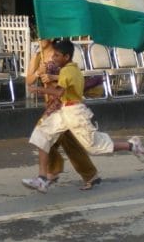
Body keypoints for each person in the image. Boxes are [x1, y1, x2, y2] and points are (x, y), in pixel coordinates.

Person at [22, 39, 144, 193]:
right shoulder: (63, 66)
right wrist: (42, 75)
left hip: (74, 112)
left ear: (66, 57)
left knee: (93, 146)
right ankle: (42, 178)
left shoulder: (68, 70)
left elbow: (60, 91)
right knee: (42, 135)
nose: (54, 58)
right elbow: (57, 81)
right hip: (62, 111)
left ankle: (131, 145)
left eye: (57, 56)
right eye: (53, 56)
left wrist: (38, 89)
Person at [26, 39, 101, 190]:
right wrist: (38, 72)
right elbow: (29, 80)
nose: (40, 39)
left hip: (63, 103)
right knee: (66, 141)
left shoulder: (61, 54)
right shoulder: (37, 57)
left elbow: (72, 76)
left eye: (44, 37)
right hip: (51, 102)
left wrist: (53, 77)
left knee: (43, 135)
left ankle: (51, 172)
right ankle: (88, 174)